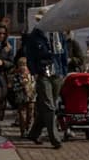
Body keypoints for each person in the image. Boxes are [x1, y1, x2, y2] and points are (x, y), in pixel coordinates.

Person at [25, 10, 64, 148]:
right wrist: (34, 72)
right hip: (43, 74)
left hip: (57, 73)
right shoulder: (33, 37)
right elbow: (29, 57)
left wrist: (63, 71)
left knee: (47, 107)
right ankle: (55, 138)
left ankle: (34, 133)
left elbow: (63, 53)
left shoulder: (57, 33)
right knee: (50, 106)